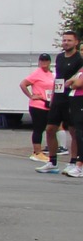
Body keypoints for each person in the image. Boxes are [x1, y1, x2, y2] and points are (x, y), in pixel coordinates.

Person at [45, 30, 83, 179]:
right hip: (59, 97)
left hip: (72, 97)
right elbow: (58, 79)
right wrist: (53, 97)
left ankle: (74, 161)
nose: (66, 42)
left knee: (74, 131)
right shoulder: (60, 58)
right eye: (64, 40)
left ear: (76, 42)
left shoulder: (79, 58)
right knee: (50, 129)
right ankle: (52, 161)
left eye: (69, 40)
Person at [23, 53, 56, 161]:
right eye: (42, 60)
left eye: (46, 60)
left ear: (49, 62)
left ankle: (43, 151)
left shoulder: (51, 74)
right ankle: (37, 152)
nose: (44, 62)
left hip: (48, 104)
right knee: (38, 128)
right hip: (37, 105)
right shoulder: (37, 73)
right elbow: (23, 84)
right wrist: (31, 95)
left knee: (48, 128)